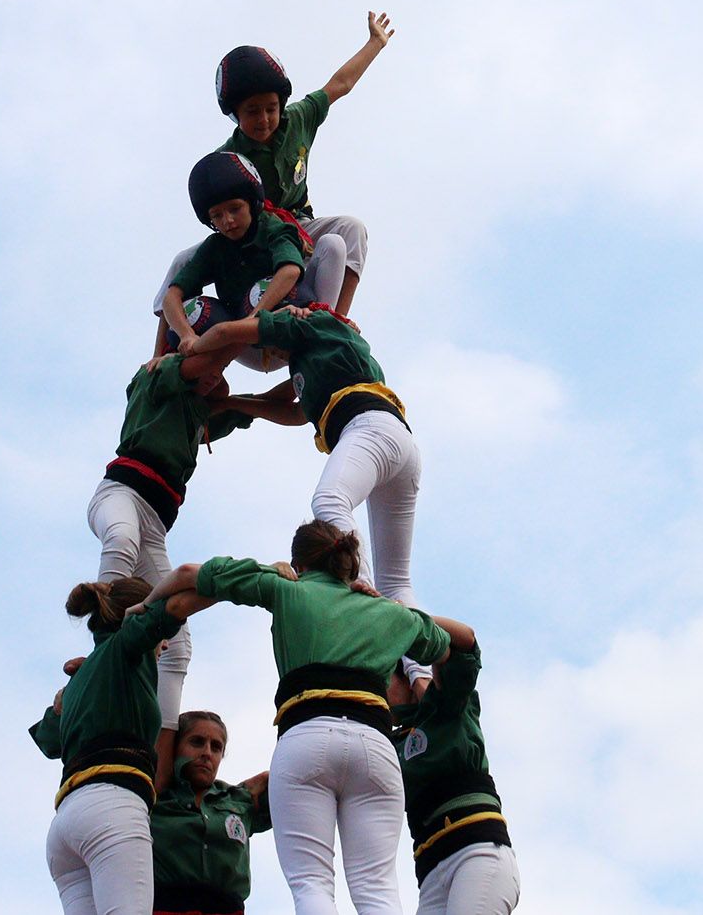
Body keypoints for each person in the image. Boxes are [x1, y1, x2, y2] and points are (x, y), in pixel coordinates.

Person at [131, 520, 462, 915]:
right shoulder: (388, 613)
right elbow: (452, 647)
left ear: (298, 563)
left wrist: (145, 605)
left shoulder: (285, 587)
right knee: (377, 889)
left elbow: (188, 575)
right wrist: (387, 609)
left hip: (307, 736)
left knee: (313, 885)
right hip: (375, 746)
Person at [185, 306, 422, 643]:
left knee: (329, 500)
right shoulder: (313, 356)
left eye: (266, 347)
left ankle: (361, 592)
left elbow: (225, 333)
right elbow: (297, 412)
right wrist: (232, 403)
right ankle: (420, 677)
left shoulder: (307, 323)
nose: (270, 356)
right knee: (397, 580)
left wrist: (190, 344)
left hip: (370, 427)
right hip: (394, 440)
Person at [87, 345, 253, 791]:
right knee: (119, 540)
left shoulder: (202, 413)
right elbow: (201, 353)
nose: (217, 380)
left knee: (176, 645)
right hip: (119, 494)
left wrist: (233, 402)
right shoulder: (161, 377)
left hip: (155, 526)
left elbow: (284, 406)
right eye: (212, 375)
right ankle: (102, 652)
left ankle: (157, 777)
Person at [157, 13, 391, 324]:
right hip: (251, 239)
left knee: (351, 230)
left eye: (271, 109)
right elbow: (213, 207)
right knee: (180, 262)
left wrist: (375, 43)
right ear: (235, 115)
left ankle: (333, 323)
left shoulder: (299, 119)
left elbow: (340, 84)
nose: (264, 119)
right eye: (252, 112)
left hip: (296, 227)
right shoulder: (227, 158)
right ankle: (167, 355)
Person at [38, 577, 190, 915]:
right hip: (111, 808)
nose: (164, 646)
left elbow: (50, 741)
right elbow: (174, 609)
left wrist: (61, 702)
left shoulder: (82, 677)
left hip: (65, 824)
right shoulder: (126, 647)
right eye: (162, 639)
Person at [155, 151, 346, 371]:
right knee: (195, 311)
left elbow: (290, 270)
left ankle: (327, 328)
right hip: (240, 342)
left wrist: (257, 318)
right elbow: (171, 296)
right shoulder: (214, 246)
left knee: (334, 244)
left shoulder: (272, 226)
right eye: (217, 215)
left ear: (252, 203)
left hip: (285, 324)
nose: (227, 221)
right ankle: (186, 379)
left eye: (235, 209)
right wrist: (185, 335)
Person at [388, 629, 520, 914]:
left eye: (385, 677)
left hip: (475, 853)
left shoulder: (448, 707)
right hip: (432, 873)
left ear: (407, 680)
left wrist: (403, 621)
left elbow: (465, 642)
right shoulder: (389, 746)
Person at [149, 710, 272, 915]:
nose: (207, 753)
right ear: (174, 748)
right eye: (196, 742)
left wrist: (273, 777)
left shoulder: (239, 800)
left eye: (216, 747)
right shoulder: (152, 797)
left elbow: (300, 786)